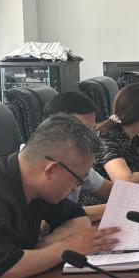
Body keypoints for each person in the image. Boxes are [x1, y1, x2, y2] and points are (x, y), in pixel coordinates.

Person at [0, 115, 120, 278]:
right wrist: (68, 247)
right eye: (78, 180)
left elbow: (79, 219)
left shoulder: (37, 184)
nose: (76, 187)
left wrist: (44, 247)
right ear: (51, 170)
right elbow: (6, 269)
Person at [42, 91, 112, 220]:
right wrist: (119, 207)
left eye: (92, 130)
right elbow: (55, 217)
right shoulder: (38, 164)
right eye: (83, 131)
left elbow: (108, 190)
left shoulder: (76, 159)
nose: (91, 138)